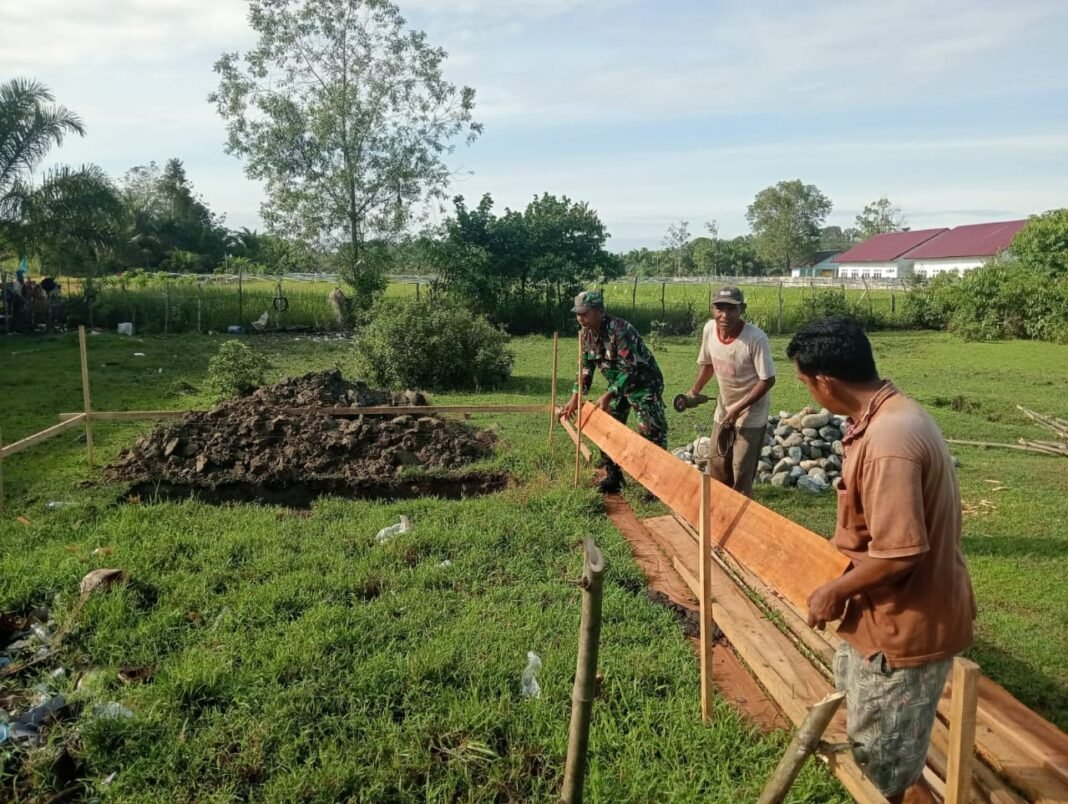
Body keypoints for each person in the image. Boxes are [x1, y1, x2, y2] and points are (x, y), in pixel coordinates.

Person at [786, 316, 976, 804]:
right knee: (882, 748)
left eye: (807, 384)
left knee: (884, 770)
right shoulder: (887, 416)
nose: (810, 394)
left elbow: (902, 555)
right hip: (876, 622)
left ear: (826, 381)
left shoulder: (890, 442)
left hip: (901, 628)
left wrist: (832, 591)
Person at [559, 290, 668, 493]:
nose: (580, 318)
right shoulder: (587, 335)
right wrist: (575, 397)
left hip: (644, 385)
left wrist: (609, 394)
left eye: (585, 313)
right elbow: (585, 369)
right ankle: (614, 477)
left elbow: (631, 369)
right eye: (578, 314)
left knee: (651, 433)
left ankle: (656, 486)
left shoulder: (621, 330)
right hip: (617, 388)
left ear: (600, 311)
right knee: (607, 428)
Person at [685, 285, 775, 496]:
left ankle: (740, 519)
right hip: (724, 407)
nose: (724, 315)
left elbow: (768, 380)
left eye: (731, 309)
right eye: (719, 308)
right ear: (712, 309)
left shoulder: (755, 338)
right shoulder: (709, 330)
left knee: (741, 469)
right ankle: (718, 512)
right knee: (717, 463)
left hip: (751, 411)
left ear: (742, 309)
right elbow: (707, 363)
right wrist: (695, 389)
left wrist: (737, 410)